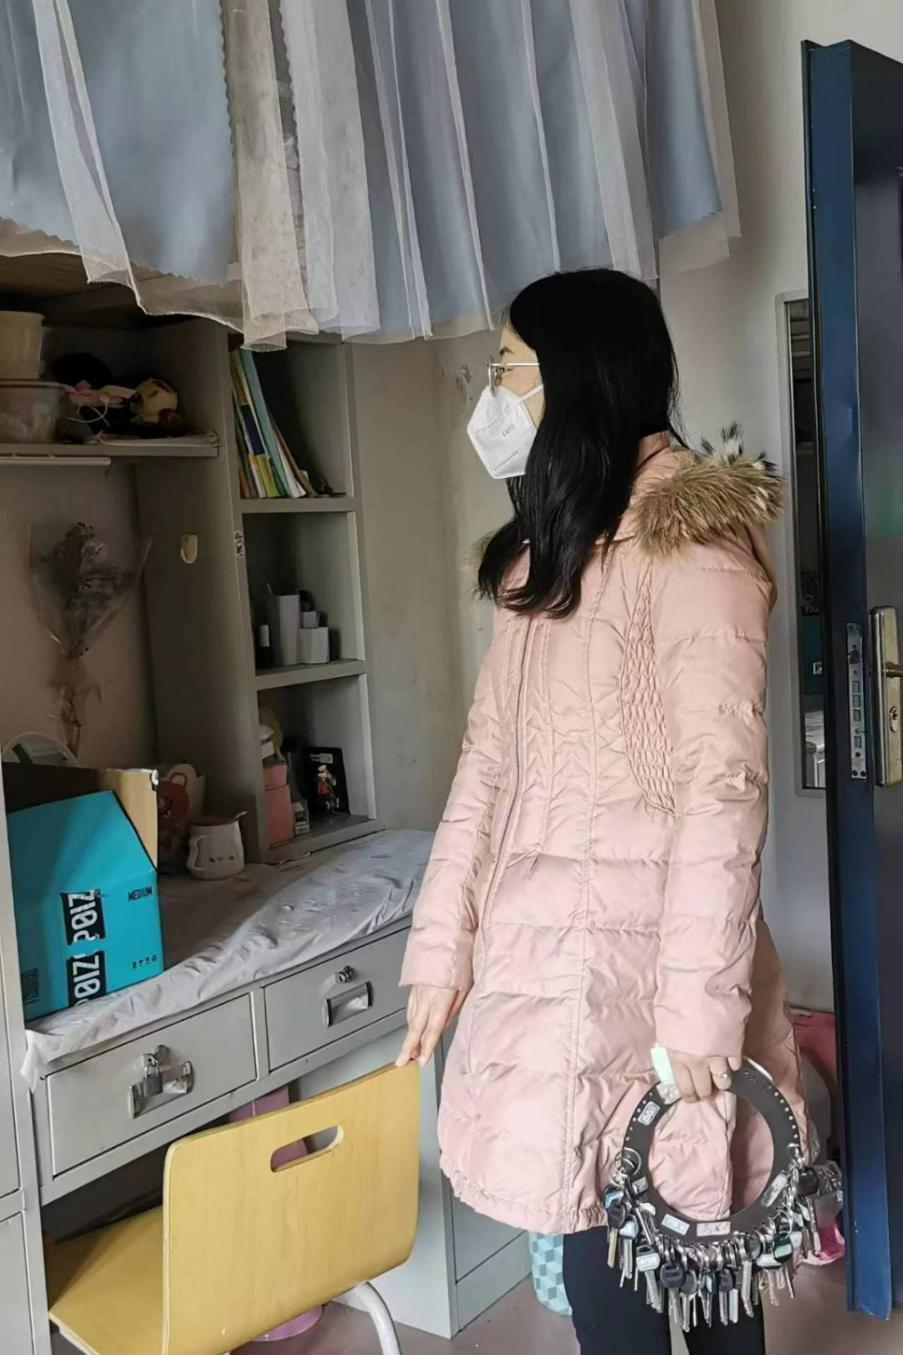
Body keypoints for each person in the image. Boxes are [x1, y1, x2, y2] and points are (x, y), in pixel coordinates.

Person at [396, 268, 806, 1354]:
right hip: (546, 976)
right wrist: (441, 948)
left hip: (656, 979)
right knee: (600, 1263)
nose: (491, 392)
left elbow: (723, 791)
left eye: (507, 367)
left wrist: (699, 1012)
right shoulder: (550, 550)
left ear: (575, 376)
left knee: (702, 1248)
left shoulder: (690, 543)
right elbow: (487, 767)